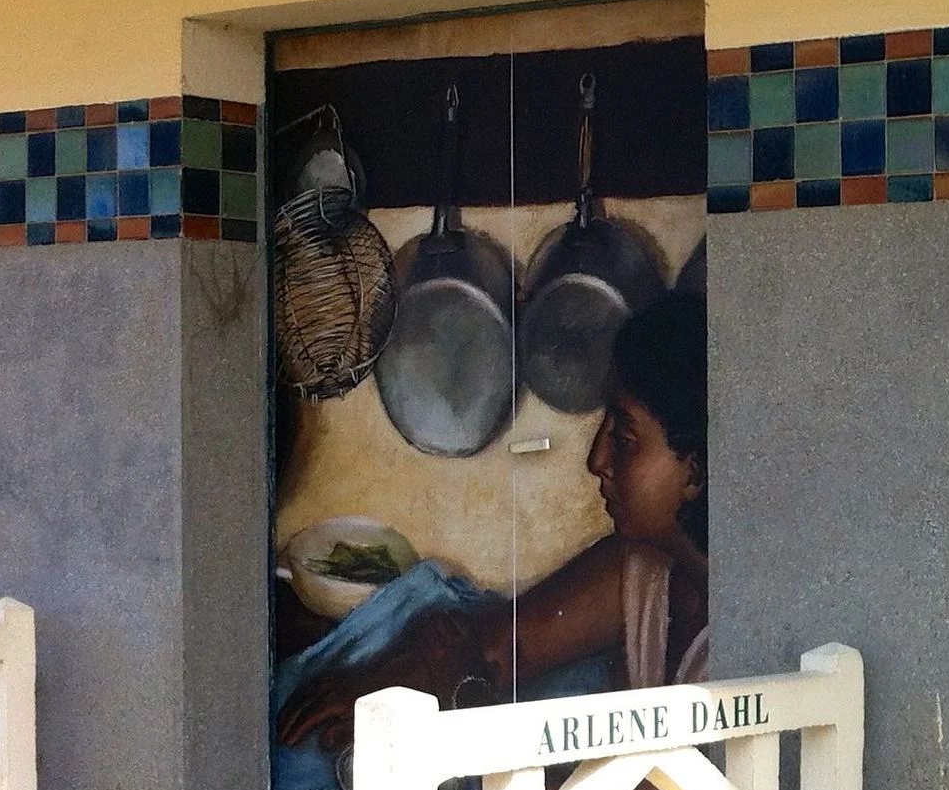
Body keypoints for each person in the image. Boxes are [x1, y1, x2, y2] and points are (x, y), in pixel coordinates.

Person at [277, 292, 710, 754]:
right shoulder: (642, 569)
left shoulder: (741, 633)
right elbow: (504, 646)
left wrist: (460, 703)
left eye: (623, 438)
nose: (595, 459)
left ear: (698, 469)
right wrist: (373, 689)